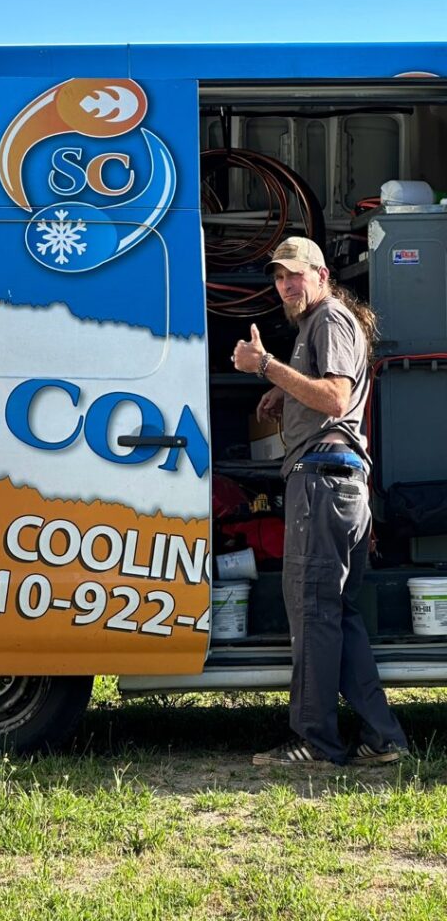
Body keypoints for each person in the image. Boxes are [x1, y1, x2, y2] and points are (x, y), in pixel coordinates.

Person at [231, 236, 408, 766]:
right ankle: (383, 737)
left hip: (323, 483)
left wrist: (266, 368)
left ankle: (315, 741)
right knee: (337, 613)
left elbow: (333, 397)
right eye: (280, 277)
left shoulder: (328, 319)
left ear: (322, 276)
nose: (287, 284)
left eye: (296, 275)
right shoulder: (317, 324)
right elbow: (333, 389)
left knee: (312, 612)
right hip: (342, 485)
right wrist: (285, 390)